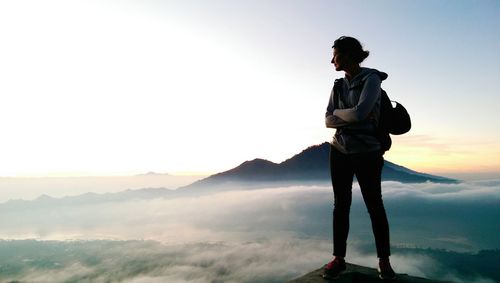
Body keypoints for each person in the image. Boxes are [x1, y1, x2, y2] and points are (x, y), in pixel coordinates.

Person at [323, 36, 396, 280]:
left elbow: (362, 112)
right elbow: (327, 119)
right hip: (340, 150)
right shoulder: (337, 85)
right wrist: (350, 115)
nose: (332, 59)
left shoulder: (372, 79)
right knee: (340, 205)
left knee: (374, 205)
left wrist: (342, 115)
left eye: (335, 54)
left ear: (347, 55)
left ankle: (383, 261)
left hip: (368, 151)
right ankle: (339, 258)